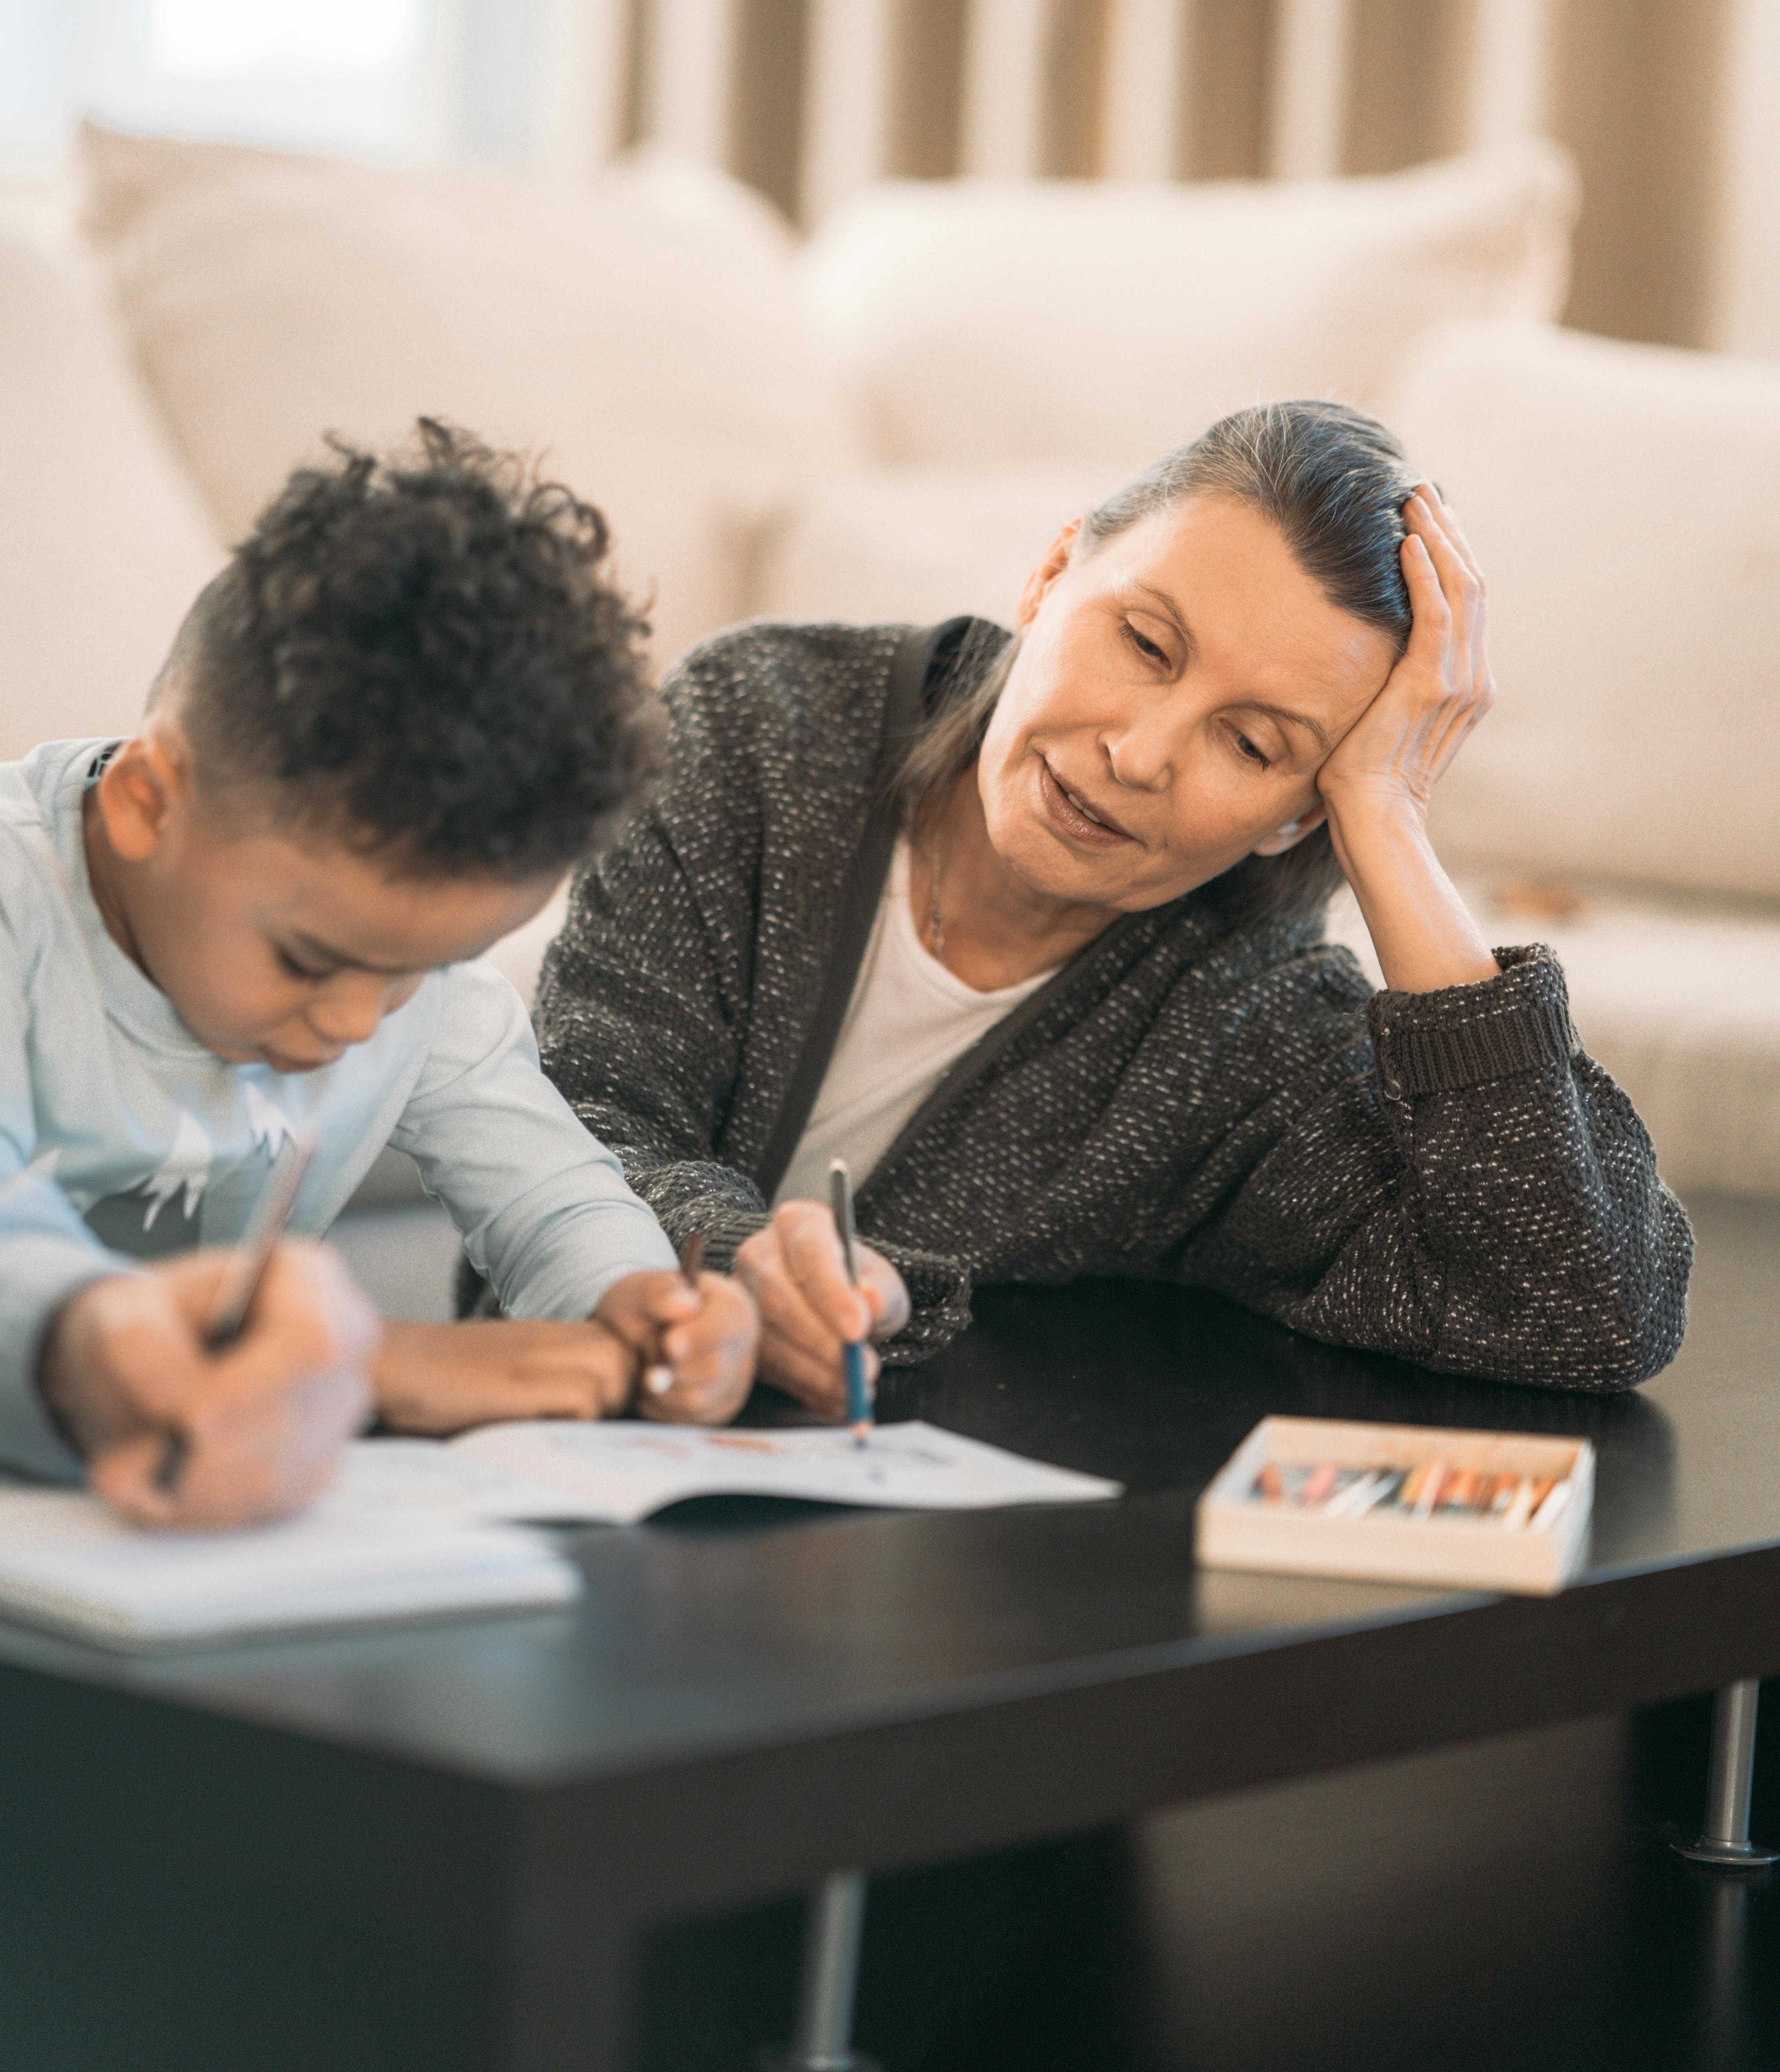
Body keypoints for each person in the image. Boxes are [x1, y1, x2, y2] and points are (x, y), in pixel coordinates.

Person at [530, 401, 1691, 1416]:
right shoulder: (760, 725)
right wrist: (741, 1260)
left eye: (1251, 743)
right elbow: (573, 1123)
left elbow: (1583, 1311)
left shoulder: (1244, 1030)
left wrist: (1386, 815)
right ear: (1050, 575)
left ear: (1299, 814)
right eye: (1143, 642)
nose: (1139, 756)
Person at [1, 422, 757, 1527]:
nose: (356, 1021)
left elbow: (551, 1196)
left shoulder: (410, 980)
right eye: (308, 961)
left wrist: (640, 1308)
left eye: (423, 971)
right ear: (147, 800)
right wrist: (372, 1361)